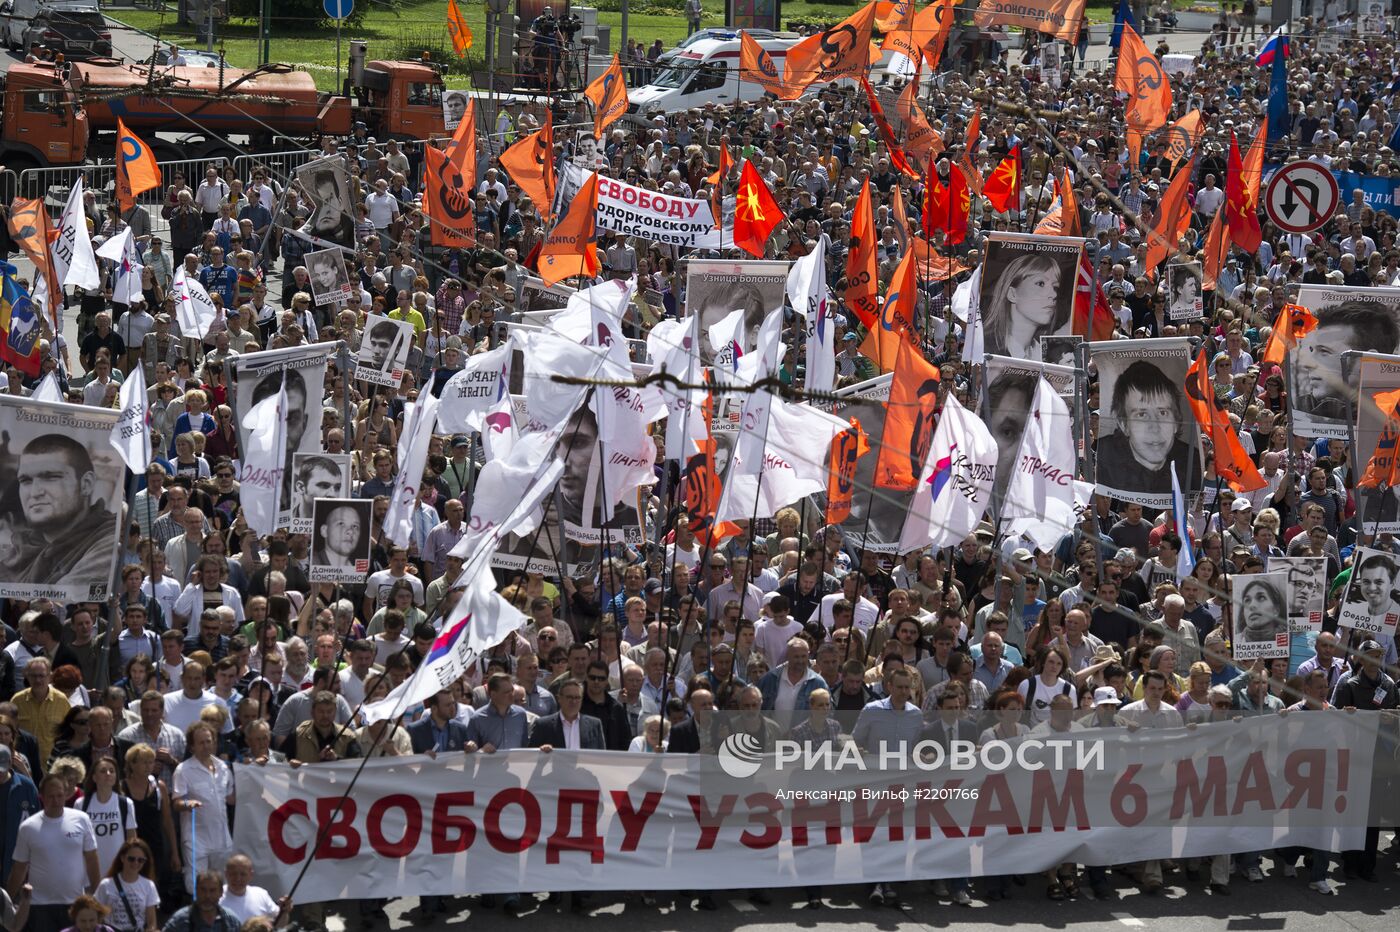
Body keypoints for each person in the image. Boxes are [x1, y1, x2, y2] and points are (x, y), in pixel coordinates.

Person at [14, 435, 119, 589]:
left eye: (50, 477)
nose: (35, 492)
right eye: (26, 481)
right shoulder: (16, 552)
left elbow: (68, 594)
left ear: (86, 484)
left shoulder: (106, 540)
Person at [8, 773, 101, 932]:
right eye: (51, 796)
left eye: (60, 795)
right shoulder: (28, 827)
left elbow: (92, 859)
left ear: (66, 794)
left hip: (75, 904)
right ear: (41, 797)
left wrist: (98, 895)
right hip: (39, 906)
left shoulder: (82, 819)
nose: (56, 801)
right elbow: (20, 867)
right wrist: (7, 899)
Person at [1094, 360, 1201, 495]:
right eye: (1142, 414)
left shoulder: (1192, 460)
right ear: (1123, 424)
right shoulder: (1107, 459)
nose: (1155, 427)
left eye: (1163, 413)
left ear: (1176, 421)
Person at [1293, 300, 1400, 424]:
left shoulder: (1390, 425)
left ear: (1368, 362)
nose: (1307, 364)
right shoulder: (1296, 412)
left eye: (1324, 351)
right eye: (1312, 350)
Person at [170, 723, 233, 891]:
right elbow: (176, 803)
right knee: (197, 887)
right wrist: (187, 804)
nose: (206, 746)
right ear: (192, 747)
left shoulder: (223, 767)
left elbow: (231, 799)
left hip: (222, 840)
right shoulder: (183, 770)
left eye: (209, 741)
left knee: (223, 886)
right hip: (196, 840)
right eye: (201, 743)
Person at [981, 251, 1070, 360]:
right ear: (1012, 294)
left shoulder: (1046, 354)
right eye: (1041, 283)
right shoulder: (983, 346)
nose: (1054, 294)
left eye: (1055, 287)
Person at [93, 838, 160, 932]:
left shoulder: (149, 885)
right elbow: (96, 916)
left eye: (141, 860)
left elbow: (151, 922)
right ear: (122, 858)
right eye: (131, 859)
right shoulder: (106, 884)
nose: (135, 863)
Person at [1232, 576, 1287, 649]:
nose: (1252, 606)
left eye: (1261, 598)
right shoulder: (1234, 642)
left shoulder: (1290, 640)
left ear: (1276, 610)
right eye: (1247, 600)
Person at [291, 455, 343, 523]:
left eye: (337, 487)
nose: (333, 494)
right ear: (301, 488)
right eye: (324, 486)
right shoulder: (284, 524)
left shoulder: (339, 527)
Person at [314, 503, 364, 569]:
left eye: (355, 526)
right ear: (324, 531)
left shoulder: (361, 570)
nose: (350, 531)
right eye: (341, 524)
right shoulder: (311, 563)